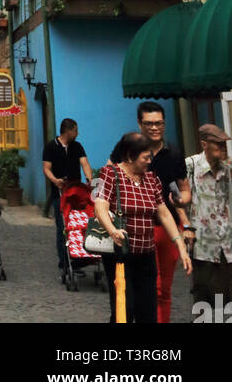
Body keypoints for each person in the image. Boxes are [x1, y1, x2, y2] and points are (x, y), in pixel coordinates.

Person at [94, 131, 191, 324]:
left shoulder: (152, 179)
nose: (149, 162)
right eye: (146, 158)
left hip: (146, 255)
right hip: (120, 255)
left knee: (148, 311)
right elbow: (100, 206)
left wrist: (180, 245)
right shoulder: (111, 174)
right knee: (124, 311)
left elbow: (163, 213)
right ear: (130, 156)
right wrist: (112, 230)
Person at [131, 101, 190, 324]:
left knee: (164, 288)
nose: (155, 128)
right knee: (148, 286)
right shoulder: (128, 151)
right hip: (139, 229)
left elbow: (185, 191)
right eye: (149, 124)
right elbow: (109, 180)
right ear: (139, 124)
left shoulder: (173, 154)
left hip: (168, 228)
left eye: (159, 123)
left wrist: (180, 200)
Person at [184, 123, 232, 315]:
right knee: (204, 296)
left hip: (227, 245)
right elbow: (177, 200)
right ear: (204, 144)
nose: (222, 148)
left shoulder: (227, 170)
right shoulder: (191, 165)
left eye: (224, 144)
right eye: (218, 144)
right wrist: (186, 226)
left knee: (225, 298)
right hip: (202, 244)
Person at [42, 118, 92, 271]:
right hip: (59, 192)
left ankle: (78, 256)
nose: (77, 134)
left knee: (79, 223)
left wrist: (90, 180)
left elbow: (85, 164)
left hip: (76, 191)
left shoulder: (77, 147)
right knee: (62, 226)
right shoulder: (51, 147)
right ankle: (64, 260)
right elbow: (46, 168)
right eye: (75, 130)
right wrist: (55, 180)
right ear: (68, 131)